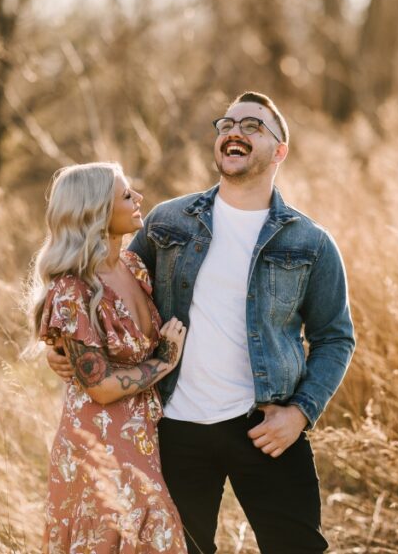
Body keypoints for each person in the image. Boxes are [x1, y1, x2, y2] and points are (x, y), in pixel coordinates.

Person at [48, 92, 356, 553]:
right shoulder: (167, 222)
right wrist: (61, 347)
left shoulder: (310, 242)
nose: (234, 131)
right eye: (227, 123)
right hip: (174, 429)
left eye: (253, 126)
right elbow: (104, 290)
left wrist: (300, 412)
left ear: (279, 151)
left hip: (266, 427)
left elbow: (335, 338)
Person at [28, 161, 190, 554]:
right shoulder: (72, 290)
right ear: (97, 212)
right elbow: (99, 388)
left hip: (144, 438)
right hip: (97, 444)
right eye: (127, 195)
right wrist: (164, 361)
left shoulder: (134, 267)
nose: (139, 200)